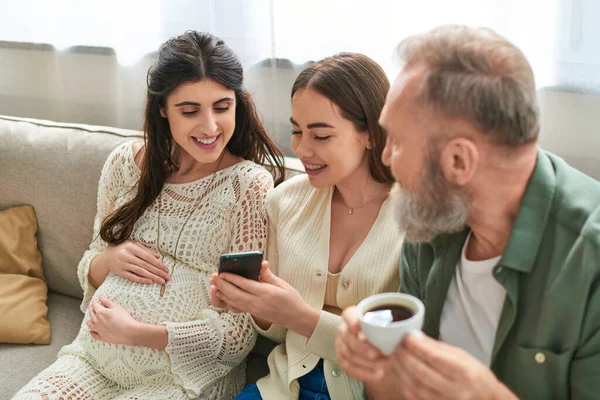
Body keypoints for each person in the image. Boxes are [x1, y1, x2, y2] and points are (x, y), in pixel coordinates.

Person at [16, 31, 285, 400]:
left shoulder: (249, 186)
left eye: (222, 107)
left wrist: (135, 333)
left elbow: (238, 332)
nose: (209, 127)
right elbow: (89, 266)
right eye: (190, 111)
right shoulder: (125, 165)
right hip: (91, 360)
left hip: (183, 379)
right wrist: (107, 260)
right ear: (162, 109)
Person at [335, 25, 600, 399]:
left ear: (458, 160)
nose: (384, 157)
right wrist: (370, 360)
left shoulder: (590, 261)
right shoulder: (431, 217)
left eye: (397, 141)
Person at [210, 53, 403, 399]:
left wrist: (302, 316)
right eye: (297, 131)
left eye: (322, 136)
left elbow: (407, 352)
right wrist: (258, 305)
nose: (301, 149)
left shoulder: (418, 219)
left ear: (372, 134)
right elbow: (283, 336)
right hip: (283, 387)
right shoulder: (285, 202)